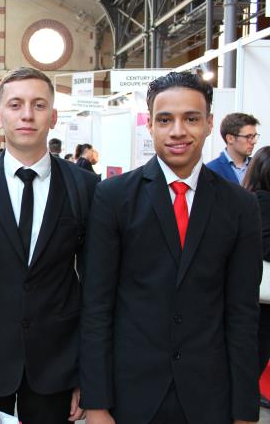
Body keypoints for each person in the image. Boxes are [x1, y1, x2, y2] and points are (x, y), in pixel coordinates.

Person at [80, 71, 261, 424]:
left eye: (191, 118)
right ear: (150, 125)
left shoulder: (239, 205)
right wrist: (97, 403)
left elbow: (242, 314)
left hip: (209, 395)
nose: (178, 130)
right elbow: (97, 306)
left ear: (209, 124)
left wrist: (244, 411)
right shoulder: (114, 197)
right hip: (130, 393)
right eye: (165, 119)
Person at [0, 67, 97, 424]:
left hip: (57, 361)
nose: (28, 114)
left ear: (54, 116)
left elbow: (97, 288)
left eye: (39, 104)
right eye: (16, 104)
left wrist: (87, 373)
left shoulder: (84, 188)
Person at [243, 146, 270, 392]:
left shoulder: (250, 197)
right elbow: (264, 245)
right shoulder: (262, 200)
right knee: (255, 353)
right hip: (260, 295)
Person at [206, 112, 261, 185]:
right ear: (230, 139)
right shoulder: (211, 170)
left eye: (254, 136)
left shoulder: (259, 167)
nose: (254, 141)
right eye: (248, 137)